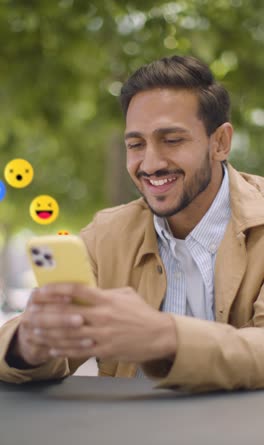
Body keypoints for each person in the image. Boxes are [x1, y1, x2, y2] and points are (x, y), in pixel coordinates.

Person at [0, 55, 263, 391]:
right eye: (136, 144)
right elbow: (24, 346)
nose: (150, 164)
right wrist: (29, 343)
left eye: (172, 140)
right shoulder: (105, 235)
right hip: (126, 439)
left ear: (220, 143)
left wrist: (165, 337)